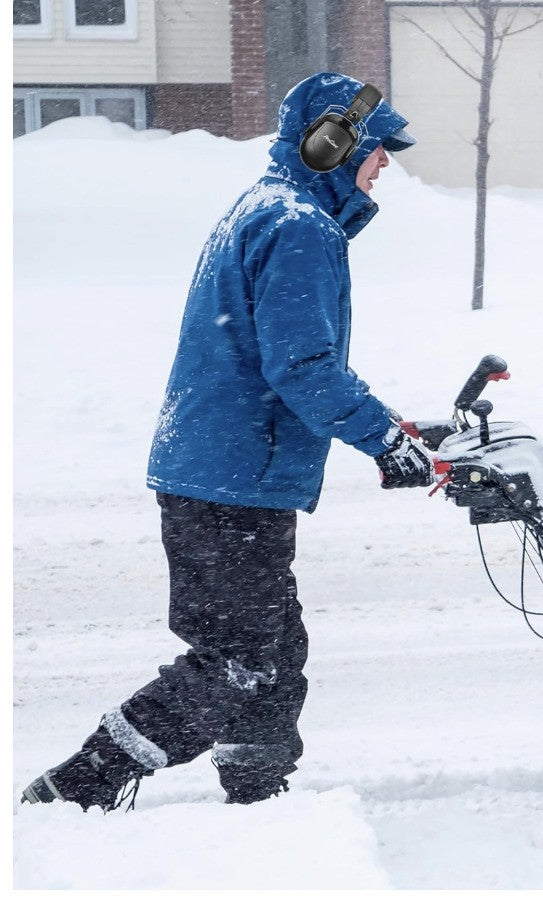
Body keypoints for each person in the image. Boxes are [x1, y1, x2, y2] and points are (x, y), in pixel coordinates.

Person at [21, 72, 434, 811]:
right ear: (330, 143)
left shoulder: (274, 209)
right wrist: (382, 439)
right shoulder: (298, 226)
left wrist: (387, 427)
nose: (386, 164)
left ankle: (256, 795)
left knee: (273, 651)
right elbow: (302, 364)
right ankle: (72, 790)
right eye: (377, 147)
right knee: (238, 660)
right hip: (233, 476)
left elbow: (293, 357)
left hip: (224, 469)